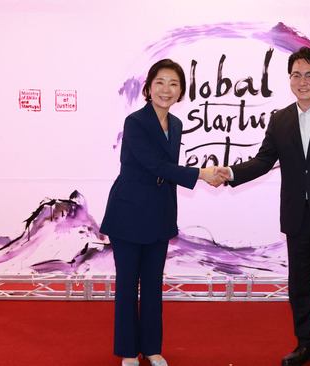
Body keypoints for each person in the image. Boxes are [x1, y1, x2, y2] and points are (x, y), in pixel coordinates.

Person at [216, 47, 310, 366]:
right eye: (296, 75)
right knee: (300, 285)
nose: (302, 81)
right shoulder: (280, 119)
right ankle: (306, 343)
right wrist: (229, 173)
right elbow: (263, 161)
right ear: (290, 80)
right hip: (297, 217)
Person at [100, 59, 226, 366]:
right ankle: (129, 352)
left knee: (154, 284)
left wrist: (193, 178)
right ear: (148, 87)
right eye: (160, 82)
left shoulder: (177, 125)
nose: (166, 90)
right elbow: (155, 165)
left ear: (181, 91)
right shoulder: (135, 122)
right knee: (128, 285)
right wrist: (201, 174)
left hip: (159, 214)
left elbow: (165, 172)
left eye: (174, 84)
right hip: (128, 214)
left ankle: (153, 349)